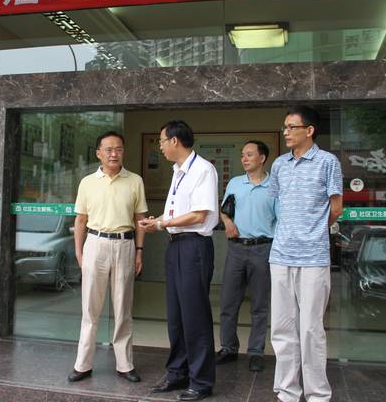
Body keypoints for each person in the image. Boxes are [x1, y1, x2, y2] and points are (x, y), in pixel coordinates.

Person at [139, 120, 219, 402]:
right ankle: (177, 372)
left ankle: (201, 381)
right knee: (176, 316)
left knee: (195, 315)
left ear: (175, 141)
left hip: (194, 246)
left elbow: (198, 214)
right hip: (176, 246)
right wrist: (157, 221)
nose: (160, 146)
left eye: (162, 141)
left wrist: (162, 224)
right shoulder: (178, 171)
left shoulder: (203, 169)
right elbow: (176, 213)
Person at [268, 106, 343, 402]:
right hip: (280, 255)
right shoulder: (279, 164)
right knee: (282, 328)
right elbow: (277, 205)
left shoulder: (328, 162)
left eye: (292, 127)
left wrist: (314, 231)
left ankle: (317, 394)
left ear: (309, 130)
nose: (286, 132)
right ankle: (287, 390)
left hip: (313, 256)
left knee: (311, 329)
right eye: (285, 127)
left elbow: (336, 207)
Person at [67, 131, 148, 383]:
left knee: (123, 308)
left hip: (125, 244)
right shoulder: (87, 182)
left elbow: (140, 219)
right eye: (109, 149)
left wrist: (139, 250)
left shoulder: (135, 181)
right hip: (95, 244)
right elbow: (80, 220)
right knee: (90, 309)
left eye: (119, 149)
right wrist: (79, 251)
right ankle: (83, 364)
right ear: (99, 153)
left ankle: (125, 364)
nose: (114, 154)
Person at [216, 140, 278, 372]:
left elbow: (280, 220)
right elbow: (224, 211)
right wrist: (228, 222)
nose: (244, 159)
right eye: (242, 155)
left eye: (249, 155)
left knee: (260, 304)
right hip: (236, 248)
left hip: (263, 248)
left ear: (262, 158)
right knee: (228, 301)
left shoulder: (274, 186)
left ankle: (256, 351)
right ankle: (228, 348)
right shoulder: (235, 183)